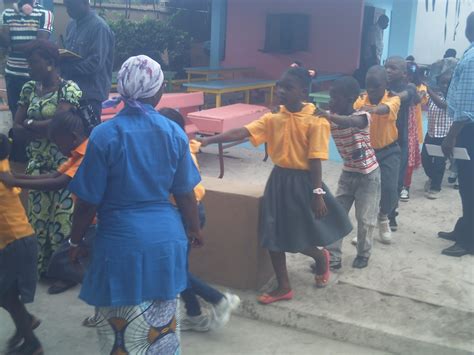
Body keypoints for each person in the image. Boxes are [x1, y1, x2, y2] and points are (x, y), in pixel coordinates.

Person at [67, 55, 202, 354]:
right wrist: (194, 228)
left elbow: (88, 201)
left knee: (123, 331)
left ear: (121, 89)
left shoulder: (104, 135)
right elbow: (184, 192)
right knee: (160, 327)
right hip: (166, 240)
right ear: (157, 91)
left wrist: (74, 240)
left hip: (120, 242)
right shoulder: (173, 132)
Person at [200, 67, 352, 304]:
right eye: (279, 86)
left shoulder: (317, 120)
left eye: (287, 88)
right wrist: (209, 139)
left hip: (305, 182)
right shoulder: (273, 118)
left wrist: (318, 193)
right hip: (279, 180)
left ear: (303, 91)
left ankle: (320, 256)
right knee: (272, 233)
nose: (280, 91)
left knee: (298, 234)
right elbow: (243, 131)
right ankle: (284, 286)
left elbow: (315, 159)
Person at [159, 107, 240, 332]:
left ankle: (219, 300)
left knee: (174, 270)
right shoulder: (183, 144)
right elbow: (197, 144)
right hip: (184, 213)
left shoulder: (175, 152)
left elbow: (189, 194)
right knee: (178, 267)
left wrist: (193, 226)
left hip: (185, 214)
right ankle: (194, 315)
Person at [10, 40, 82, 290]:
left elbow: (59, 125)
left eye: (34, 63)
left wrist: (30, 124)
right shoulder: (29, 88)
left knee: (62, 219)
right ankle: (43, 268)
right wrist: (36, 127)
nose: (30, 68)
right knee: (38, 218)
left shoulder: (69, 89)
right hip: (37, 162)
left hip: (64, 162)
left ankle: (66, 273)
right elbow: (15, 127)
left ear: (50, 64)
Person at [0, 109, 93, 296]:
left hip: (93, 219)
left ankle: (93, 289)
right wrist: (14, 176)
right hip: (89, 219)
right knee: (66, 261)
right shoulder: (76, 152)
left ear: (73, 137)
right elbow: (54, 175)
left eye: (58, 143)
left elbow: (57, 183)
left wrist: (14, 181)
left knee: (73, 263)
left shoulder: (86, 154)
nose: (58, 148)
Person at [319, 77, 380, 270]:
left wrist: (326, 116)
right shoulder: (331, 116)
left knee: (365, 219)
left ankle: (363, 253)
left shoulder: (363, 116)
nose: (331, 101)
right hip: (347, 175)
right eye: (330, 96)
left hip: (369, 176)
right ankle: (333, 258)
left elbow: (349, 122)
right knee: (336, 214)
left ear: (351, 98)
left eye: (335, 97)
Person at [0, 133, 42, 355]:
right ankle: (25, 322)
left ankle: (32, 343)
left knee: (6, 295)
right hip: (15, 241)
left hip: (16, 242)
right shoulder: (3, 165)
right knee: (6, 294)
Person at [438, 12, 474, 257]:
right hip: (468, 127)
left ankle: (468, 240)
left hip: (468, 130)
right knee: (467, 185)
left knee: (469, 186)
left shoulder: (472, 58)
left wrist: (451, 135)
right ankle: (464, 229)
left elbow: (468, 107)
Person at [354, 65, 401, 244]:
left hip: (389, 151)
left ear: (386, 83)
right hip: (366, 152)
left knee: (389, 189)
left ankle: (383, 217)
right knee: (365, 193)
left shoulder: (393, 98)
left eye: (376, 85)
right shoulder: (360, 100)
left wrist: (370, 110)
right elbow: (355, 114)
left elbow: (384, 109)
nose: (371, 90)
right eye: (368, 85)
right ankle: (363, 229)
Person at [61, 0, 114, 120]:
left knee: (88, 135)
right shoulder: (72, 25)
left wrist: (67, 68)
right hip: (71, 91)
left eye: (71, 6)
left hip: (90, 94)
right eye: (66, 6)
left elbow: (95, 63)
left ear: (85, 3)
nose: (68, 10)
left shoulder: (99, 27)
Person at [0, 0, 53, 121]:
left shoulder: (45, 14)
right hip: (12, 75)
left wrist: (13, 47)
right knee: (15, 113)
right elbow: (4, 41)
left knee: (36, 114)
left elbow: (40, 43)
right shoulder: (7, 13)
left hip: (35, 77)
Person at [384, 56, 419, 228]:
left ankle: (391, 214)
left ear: (404, 73)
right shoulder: (380, 87)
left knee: (396, 182)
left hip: (400, 142)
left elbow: (410, 95)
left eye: (393, 68)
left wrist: (395, 97)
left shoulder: (409, 87)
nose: (388, 70)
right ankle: (381, 213)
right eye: (386, 67)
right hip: (380, 140)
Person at [421, 68, 454, 199]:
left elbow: (442, 105)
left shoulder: (454, 98)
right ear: (438, 84)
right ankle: (432, 178)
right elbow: (422, 99)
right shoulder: (433, 96)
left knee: (440, 163)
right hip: (430, 134)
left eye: (448, 83)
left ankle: (435, 187)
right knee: (425, 160)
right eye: (442, 83)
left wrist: (427, 88)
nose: (445, 86)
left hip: (445, 136)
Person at [400, 61, 426, 201]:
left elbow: (418, 100)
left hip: (411, 127)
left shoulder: (418, 88)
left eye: (409, 74)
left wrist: (411, 89)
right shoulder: (394, 87)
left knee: (409, 158)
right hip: (396, 126)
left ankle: (405, 186)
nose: (406, 76)